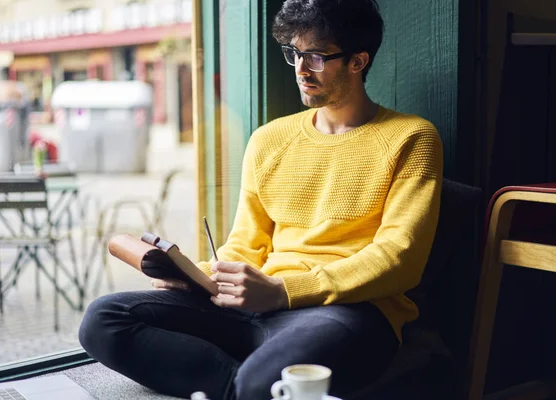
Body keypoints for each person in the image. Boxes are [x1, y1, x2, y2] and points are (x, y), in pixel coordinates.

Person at [79, 0, 443, 399]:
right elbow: (246, 244)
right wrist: (198, 277)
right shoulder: (269, 139)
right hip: (253, 306)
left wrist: (285, 290)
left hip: (349, 312)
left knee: (258, 382)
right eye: (295, 53)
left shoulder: (412, 138)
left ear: (358, 61)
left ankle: (247, 386)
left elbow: (399, 259)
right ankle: (251, 388)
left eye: (317, 57)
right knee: (104, 319)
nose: (301, 70)